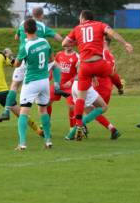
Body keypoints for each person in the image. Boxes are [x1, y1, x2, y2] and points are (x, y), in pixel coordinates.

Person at [62, 10, 133, 140]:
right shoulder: (100, 25)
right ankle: (120, 87)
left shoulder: (77, 28)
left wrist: (78, 42)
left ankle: (78, 126)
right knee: (112, 74)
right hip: (98, 62)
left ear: (83, 18)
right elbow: (112, 33)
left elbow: (64, 43)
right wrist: (125, 43)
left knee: (80, 99)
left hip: (84, 66)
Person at [0, 6, 66, 122]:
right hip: (37, 59)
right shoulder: (42, 26)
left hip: (23, 58)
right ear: (41, 15)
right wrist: (67, 42)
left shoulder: (23, 23)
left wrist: (21, 39)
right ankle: (57, 87)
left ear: (32, 14)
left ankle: (6, 111)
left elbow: (16, 37)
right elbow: (57, 37)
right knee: (56, 66)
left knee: (14, 86)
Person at [14, 18, 53, 151]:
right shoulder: (45, 41)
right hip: (45, 81)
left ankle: (22, 143)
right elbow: (51, 59)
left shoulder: (25, 46)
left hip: (31, 81)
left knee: (24, 111)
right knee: (43, 110)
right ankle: (48, 140)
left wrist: (13, 58)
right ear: (36, 29)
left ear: (24, 31)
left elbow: (17, 64)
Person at [91, 35, 124, 138]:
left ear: (104, 42)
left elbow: (110, 72)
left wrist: (92, 75)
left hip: (99, 86)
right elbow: (113, 74)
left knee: (88, 109)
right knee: (92, 110)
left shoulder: (103, 53)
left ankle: (77, 129)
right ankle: (112, 130)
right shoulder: (110, 55)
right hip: (106, 87)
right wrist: (119, 87)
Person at [47, 43, 79, 127]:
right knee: (46, 102)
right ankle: (46, 122)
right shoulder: (59, 55)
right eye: (66, 45)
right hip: (58, 85)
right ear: (63, 46)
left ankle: (72, 127)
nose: (68, 47)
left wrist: (71, 81)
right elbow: (53, 67)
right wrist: (49, 77)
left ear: (73, 45)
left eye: (70, 45)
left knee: (72, 107)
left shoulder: (77, 57)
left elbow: (79, 72)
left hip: (69, 87)